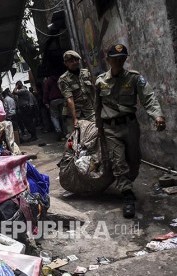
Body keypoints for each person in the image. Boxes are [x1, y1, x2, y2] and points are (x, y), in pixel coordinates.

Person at [95, 44, 166, 218]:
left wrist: (157, 116)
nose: (119, 61)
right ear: (109, 60)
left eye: (122, 58)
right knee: (118, 162)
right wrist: (98, 128)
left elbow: (148, 97)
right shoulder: (100, 81)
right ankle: (127, 195)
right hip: (110, 127)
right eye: (115, 58)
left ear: (125, 59)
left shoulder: (134, 78)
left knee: (134, 160)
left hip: (130, 126)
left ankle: (127, 183)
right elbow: (97, 106)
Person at [58, 50, 95, 132]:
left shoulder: (85, 73)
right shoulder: (63, 79)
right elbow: (69, 99)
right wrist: (75, 119)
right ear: (66, 63)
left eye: (76, 60)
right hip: (75, 113)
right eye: (71, 61)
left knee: (95, 134)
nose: (75, 62)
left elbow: (93, 91)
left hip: (89, 111)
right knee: (77, 139)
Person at [43, 75, 66, 141]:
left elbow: (46, 92)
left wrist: (45, 102)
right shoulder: (60, 78)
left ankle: (59, 132)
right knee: (63, 116)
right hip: (62, 99)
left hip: (53, 100)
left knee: (54, 117)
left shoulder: (48, 81)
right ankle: (66, 133)